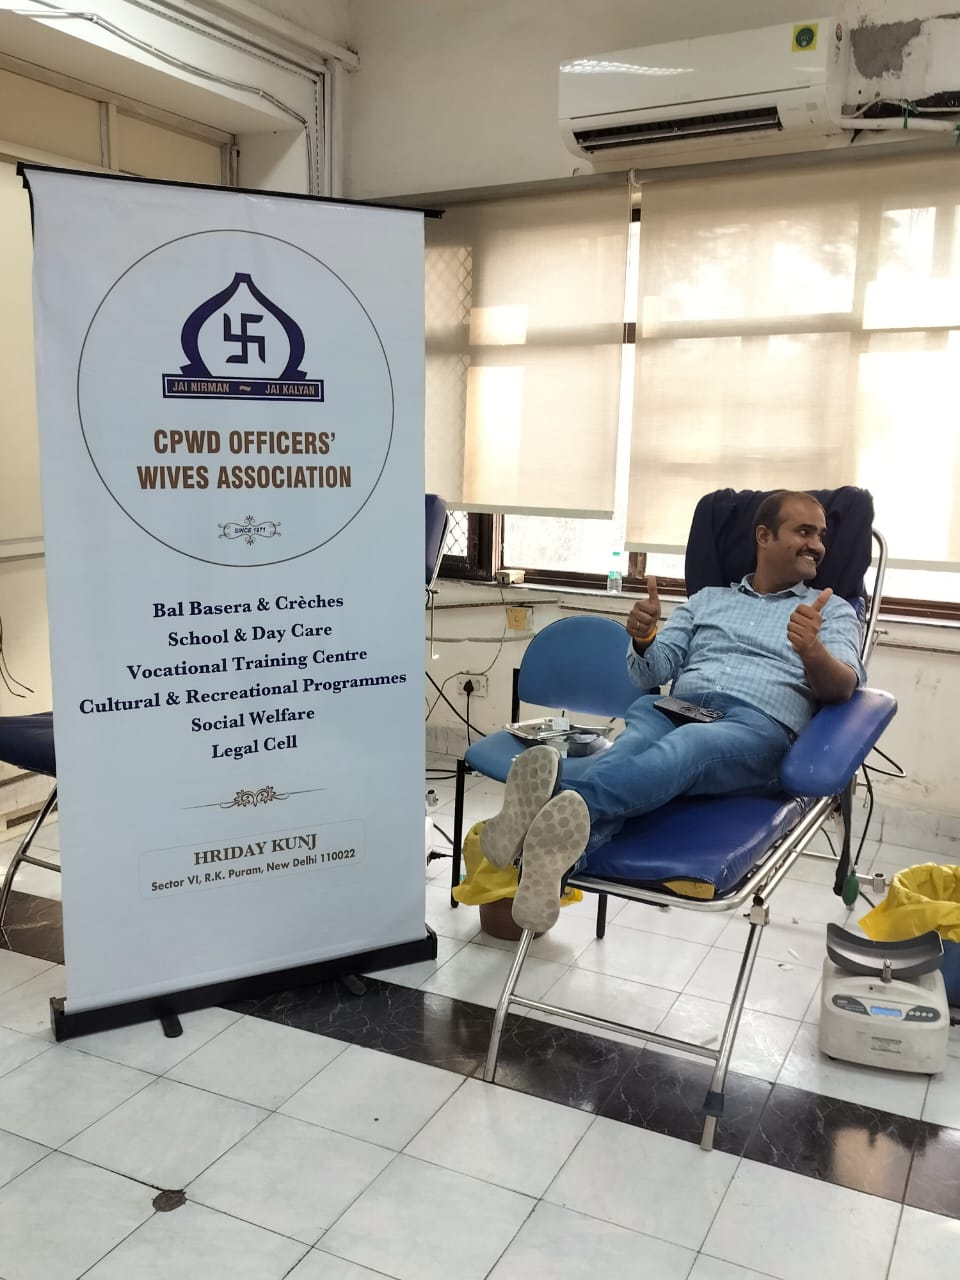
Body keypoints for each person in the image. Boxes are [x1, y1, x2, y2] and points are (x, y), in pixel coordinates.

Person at [478, 490, 866, 934]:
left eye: (821, 535)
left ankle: (549, 801)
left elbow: (842, 689)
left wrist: (812, 650)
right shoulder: (707, 601)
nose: (817, 545)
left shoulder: (829, 610)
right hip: (672, 708)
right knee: (632, 752)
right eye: (804, 532)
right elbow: (654, 671)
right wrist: (644, 639)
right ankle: (557, 859)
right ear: (764, 536)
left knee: (687, 746)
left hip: (755, 727)